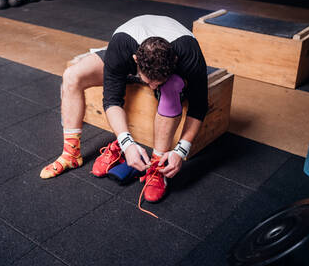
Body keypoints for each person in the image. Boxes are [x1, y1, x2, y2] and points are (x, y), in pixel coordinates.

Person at [40, 14, 208, 203]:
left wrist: (181, 151)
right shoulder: (121, 45)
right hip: (128, 49)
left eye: (156, 82)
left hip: (170, 69)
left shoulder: (189, 53)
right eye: (148, 81)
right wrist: (127, 143)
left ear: (175, 61)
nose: (152, 87)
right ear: (135, 59)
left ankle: (157, 166)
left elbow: (199, 106)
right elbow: (112, 100)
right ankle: (71, 154)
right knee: (72, 75)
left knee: (171, 86)